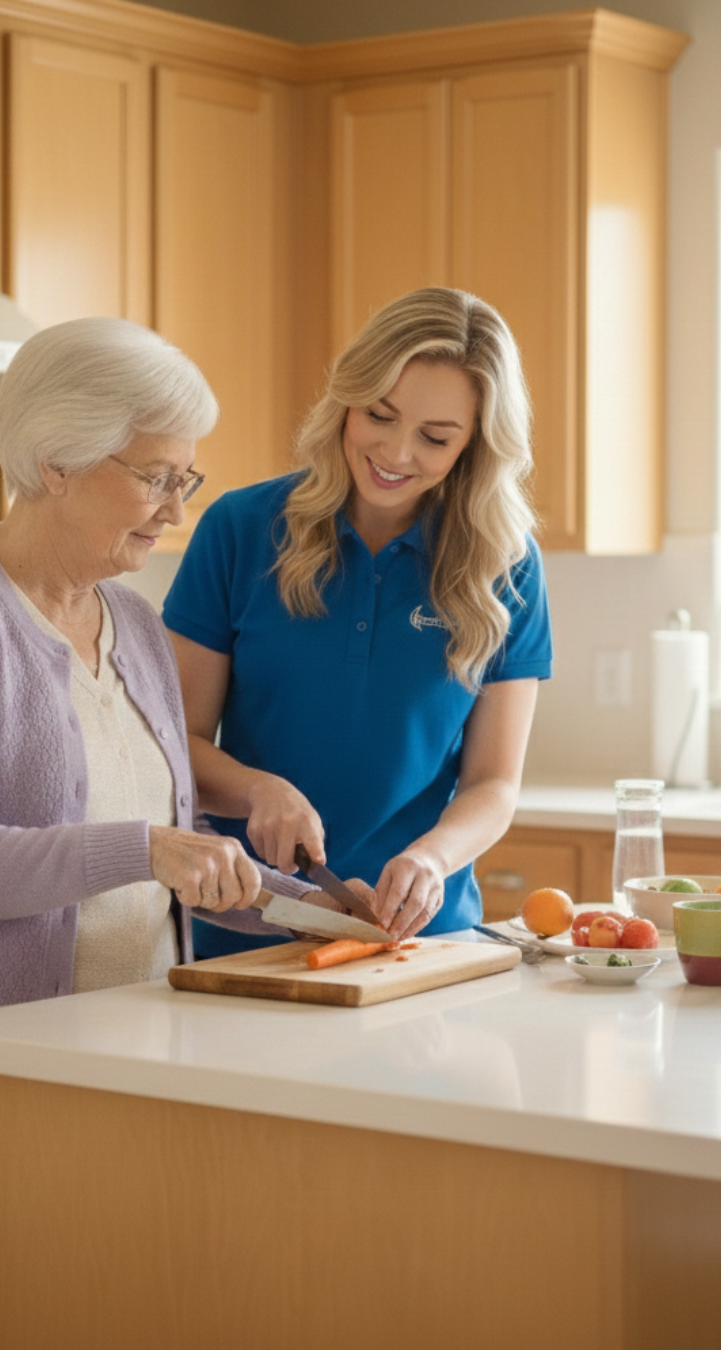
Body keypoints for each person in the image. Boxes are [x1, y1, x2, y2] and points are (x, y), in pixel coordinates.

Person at [0, 317, 313, 1350]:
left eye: (187, 479)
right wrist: (141, 845)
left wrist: (334, 906)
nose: (174, 508)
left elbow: (175, 841)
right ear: (54, 460)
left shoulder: (134, 624)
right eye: (155, 475)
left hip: (127, 1063)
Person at [163, 287, 553, 960]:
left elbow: (494, 783)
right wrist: (260, 789)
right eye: (380, 414)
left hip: (422, 943)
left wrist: (432, 859)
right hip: (247, 930)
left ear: (474, 447)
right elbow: (176, 744)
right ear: (347, 397)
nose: (397, 453)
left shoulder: (506, 565)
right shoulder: (240, 530)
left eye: (435, 437)